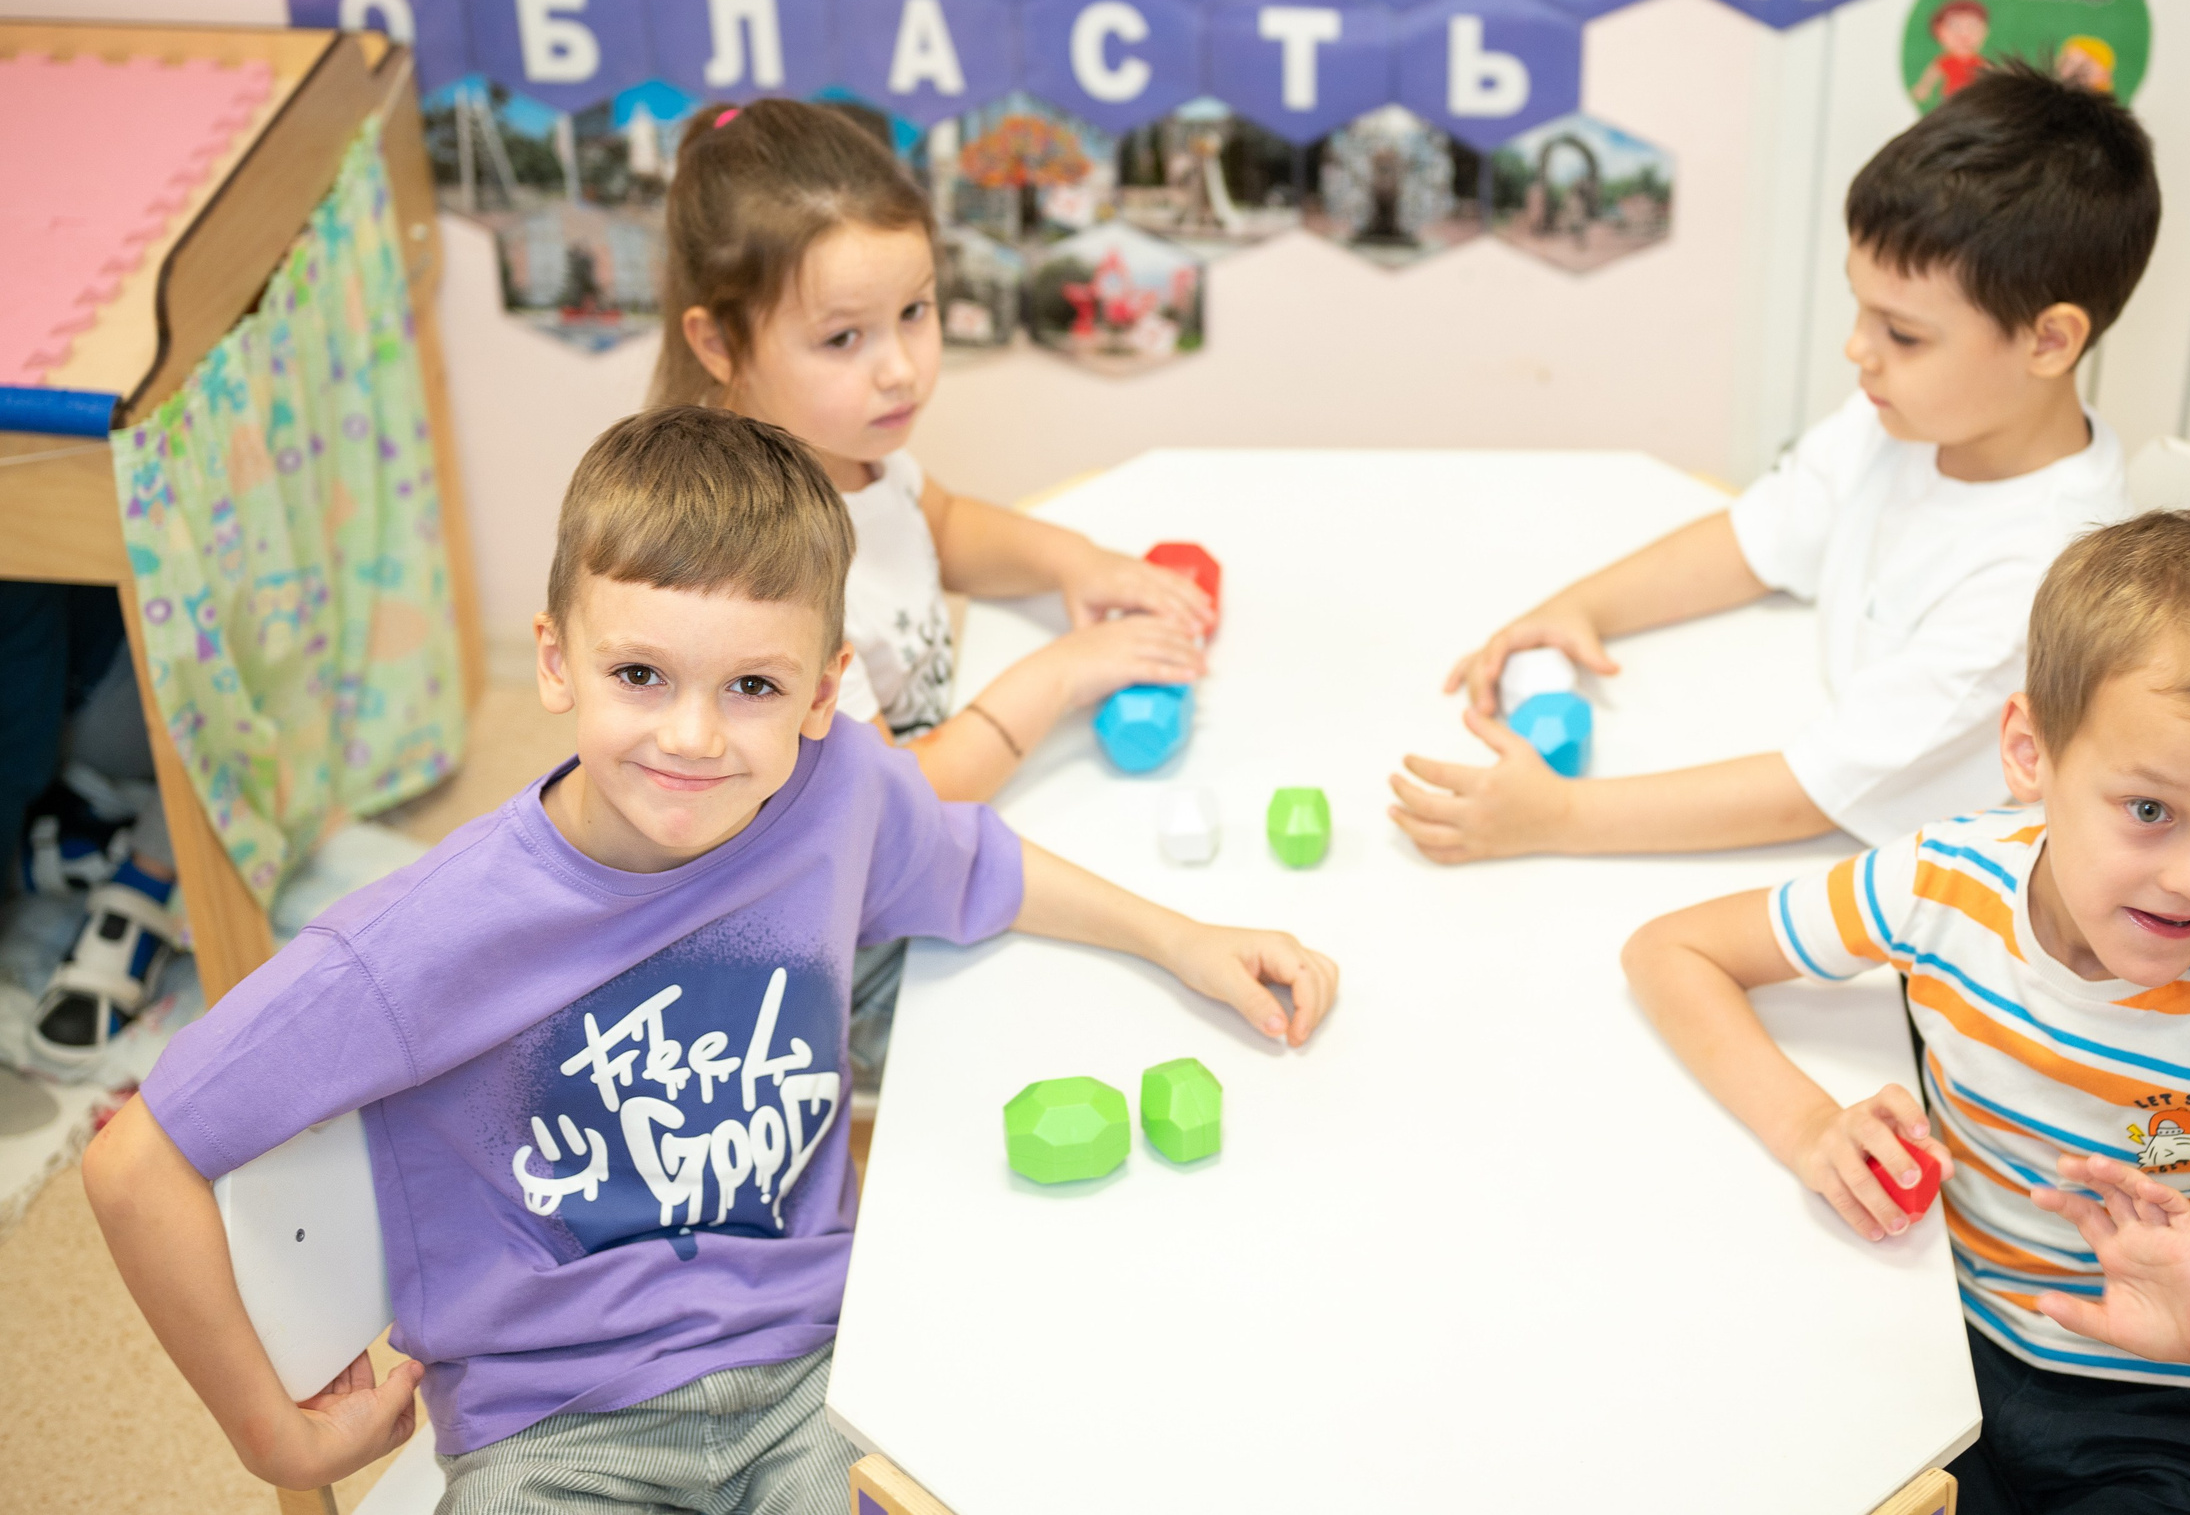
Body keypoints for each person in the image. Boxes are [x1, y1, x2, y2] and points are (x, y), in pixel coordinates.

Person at [82, 408, 1339, 1509]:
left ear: (823, 690)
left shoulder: (837, 789)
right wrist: (270, 1432)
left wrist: (1184, 936)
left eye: (750, 683)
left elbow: (978, 868)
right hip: (555, 1435)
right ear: (556, 658)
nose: (692, 736)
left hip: (823, 1375)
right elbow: (137, 1161)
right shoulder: (425, 932)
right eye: (640, 672)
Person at [1621, 510, 2190, 1514]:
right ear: (2028, 754)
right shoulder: (1942, 881)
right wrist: (1807, 1124)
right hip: (1944, 1343)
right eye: (2147, 808)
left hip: (2177, 1407)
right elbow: (1672, 949)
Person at [1401, 67, 2151, 862]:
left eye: (1902, 333)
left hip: (1893, 881)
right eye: (1860, 308)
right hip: (1804, 762)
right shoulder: (1905, 415)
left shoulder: (2040, 586)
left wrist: (1557, 818)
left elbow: (1812, 792)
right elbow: (1760, 535)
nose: (1857, 348)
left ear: (2048, 341)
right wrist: (1578, 607)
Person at [647, 99, 1216, 806]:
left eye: (914, 312)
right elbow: (894, 804)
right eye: (843, 338)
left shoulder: (843, 446)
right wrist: (1061, 673)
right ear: (720, 345)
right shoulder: (761, 578)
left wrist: (1077, 560)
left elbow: (938, 524)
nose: (901, 371)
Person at [1909, 0, 1992, 107]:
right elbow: (1932, 75)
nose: (1964, 33)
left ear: (1984, 31)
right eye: (1955, 26)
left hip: (1973, 98)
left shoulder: (1978, 61)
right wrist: (1924, 87)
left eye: (1973, 26)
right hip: (1950, 97)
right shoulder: (1945, 61)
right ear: (1939, 31)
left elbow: (1991, 73)